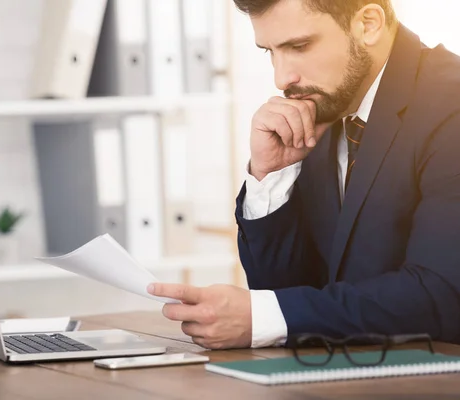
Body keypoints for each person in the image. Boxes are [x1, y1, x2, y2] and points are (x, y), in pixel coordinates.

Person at [147, 0, 460, 349]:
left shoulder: (451, 103)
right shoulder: (324, 103)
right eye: (270, 52)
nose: (282, 79)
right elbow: (292, 294)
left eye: (298, 47)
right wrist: (272, 174)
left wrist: (262, 316)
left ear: (369, 24)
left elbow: (442, 294)